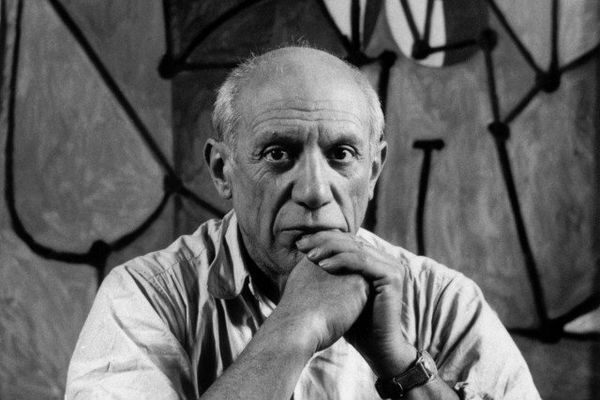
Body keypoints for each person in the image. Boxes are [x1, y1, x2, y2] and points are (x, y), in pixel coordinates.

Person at [66, 46, 540, 400]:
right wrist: (296, 324)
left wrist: (398, 360)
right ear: (222, 171)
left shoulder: (443, 301)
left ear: (374, 171)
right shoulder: (145, 297)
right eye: (278, 153)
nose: (314, 190)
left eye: (342, 154)